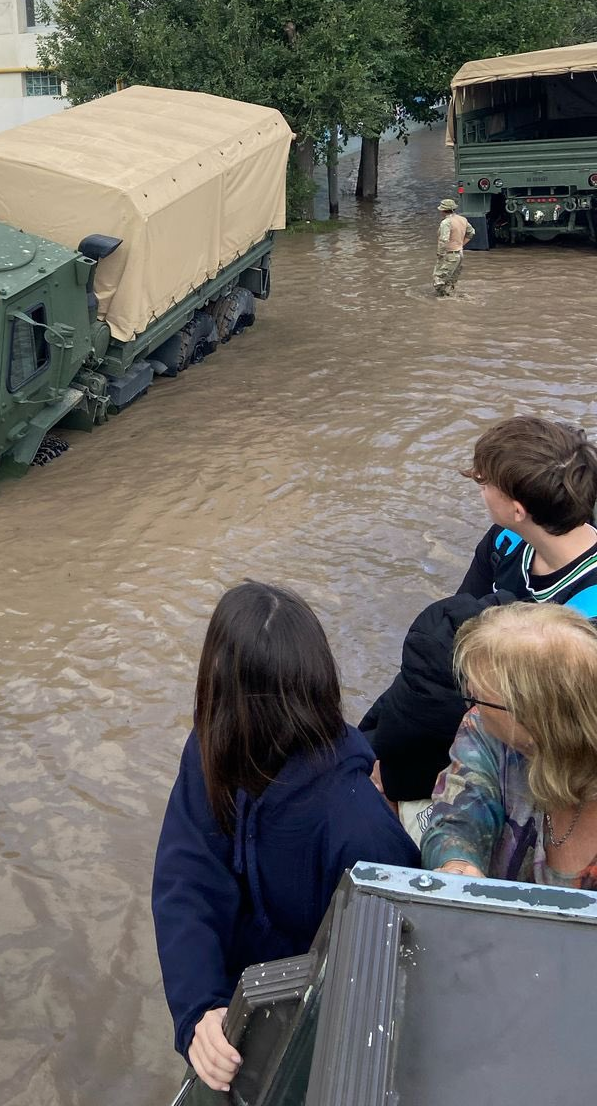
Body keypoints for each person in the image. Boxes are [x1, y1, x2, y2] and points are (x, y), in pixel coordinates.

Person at [153, 582, 418, 1094]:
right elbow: (185, 879)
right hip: (235, 1008)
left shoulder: (359, 827)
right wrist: (199, 1009)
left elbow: (389, 987)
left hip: (313, 1029)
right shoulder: (210, 750)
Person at [361, 417, 597, 820]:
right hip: (486, 695)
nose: (482, 492)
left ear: (518, 509)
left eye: (486, 485)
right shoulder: (505, 541)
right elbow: (453, 639)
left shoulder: (584, 616)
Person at [423, 603, 597, 888]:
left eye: (480, 697)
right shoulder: (485, 730)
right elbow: (457, 814)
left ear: (536, 718)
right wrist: (457, 864)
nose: (472, 700)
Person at [432, 197, 475, 296]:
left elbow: (444, 240)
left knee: (438, 279)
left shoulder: (446, 223)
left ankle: (442, 301)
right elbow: (471, 233)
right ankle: (451, 299)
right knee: (451, 280)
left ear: (443, 211)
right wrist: (461, 245)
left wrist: (440, 254)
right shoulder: (462, 219)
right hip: (459, 253)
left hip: (449, 254)